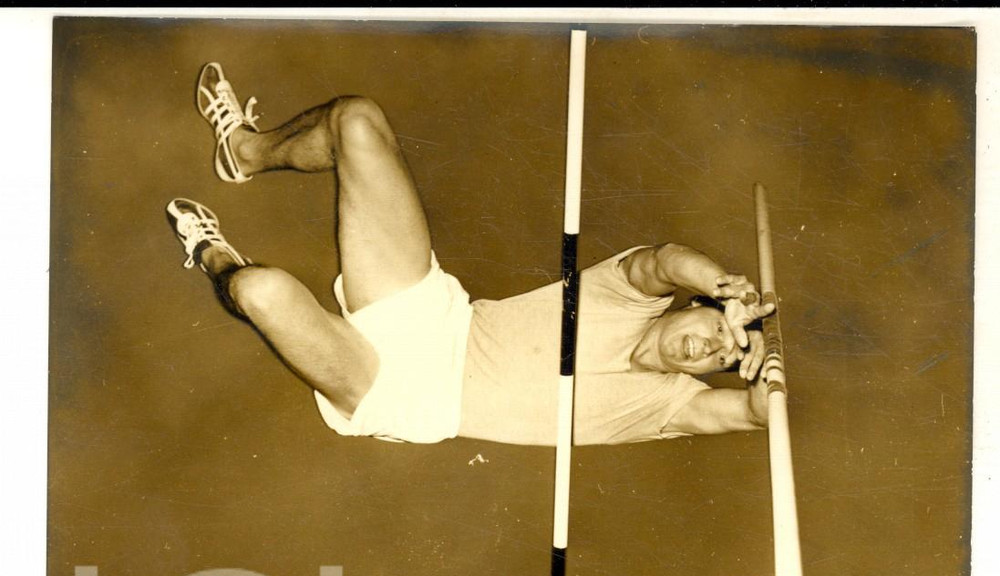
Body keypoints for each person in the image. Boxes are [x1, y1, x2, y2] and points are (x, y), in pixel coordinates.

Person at [167, 63, 774, 447]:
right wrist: (722, 281)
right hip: (432, 313)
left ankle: (213, 254)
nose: (714, 349)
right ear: (694, 305)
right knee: (356, 121)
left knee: (259, 289)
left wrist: (768, 373)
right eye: (719, 330)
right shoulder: (629, 300)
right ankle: (244, 151)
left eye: (724, 357)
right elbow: (662, 262)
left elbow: (750, 414)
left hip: (403, 394)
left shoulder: (668, 403)